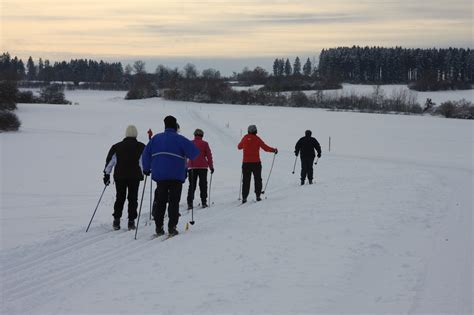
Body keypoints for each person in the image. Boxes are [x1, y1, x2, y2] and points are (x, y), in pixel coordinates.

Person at [142, 116, 199, 236]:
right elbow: (194, 153)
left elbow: (146, 154)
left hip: (160, 176)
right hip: (176, 176)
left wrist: (146, 169)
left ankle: (158, 227)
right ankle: (172, 227)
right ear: (175, 126)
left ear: (165, 126)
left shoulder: (156, 139)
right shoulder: (180, 139)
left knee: (160, 201)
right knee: (174, 201)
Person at [103, 125, 145, 230]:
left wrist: (106, 174)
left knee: (120, 197)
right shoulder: (141, 147)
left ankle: (116, 220)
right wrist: (145, 171)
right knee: (133, 198)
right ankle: (131, 221)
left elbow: (110, 162)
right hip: (134, 176)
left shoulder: (116, 146)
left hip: (120, 176)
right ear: (136, 134)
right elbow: (142, 163)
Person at [237, 124, 277, 203]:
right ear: (255, 131)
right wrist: (274, 150)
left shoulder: (245, 138)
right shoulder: (257, 139)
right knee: (258, 179)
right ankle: (258, 196)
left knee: (246, 180)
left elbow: (239, 147)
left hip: (246, 163)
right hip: (256, 163)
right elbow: (265, 148)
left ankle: (244, 197)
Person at [187, 128, 214, 210]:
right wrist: (211, 167)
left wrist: (185, 166)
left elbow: (186, 155)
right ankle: (204, 202)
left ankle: (190, 202)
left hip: (192, 166)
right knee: (203, 185)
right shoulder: (205, 144)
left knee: (192, 185)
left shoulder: (190, 143)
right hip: (203, 167)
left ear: (194, 135)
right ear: (202, 135)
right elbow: (209, 156)